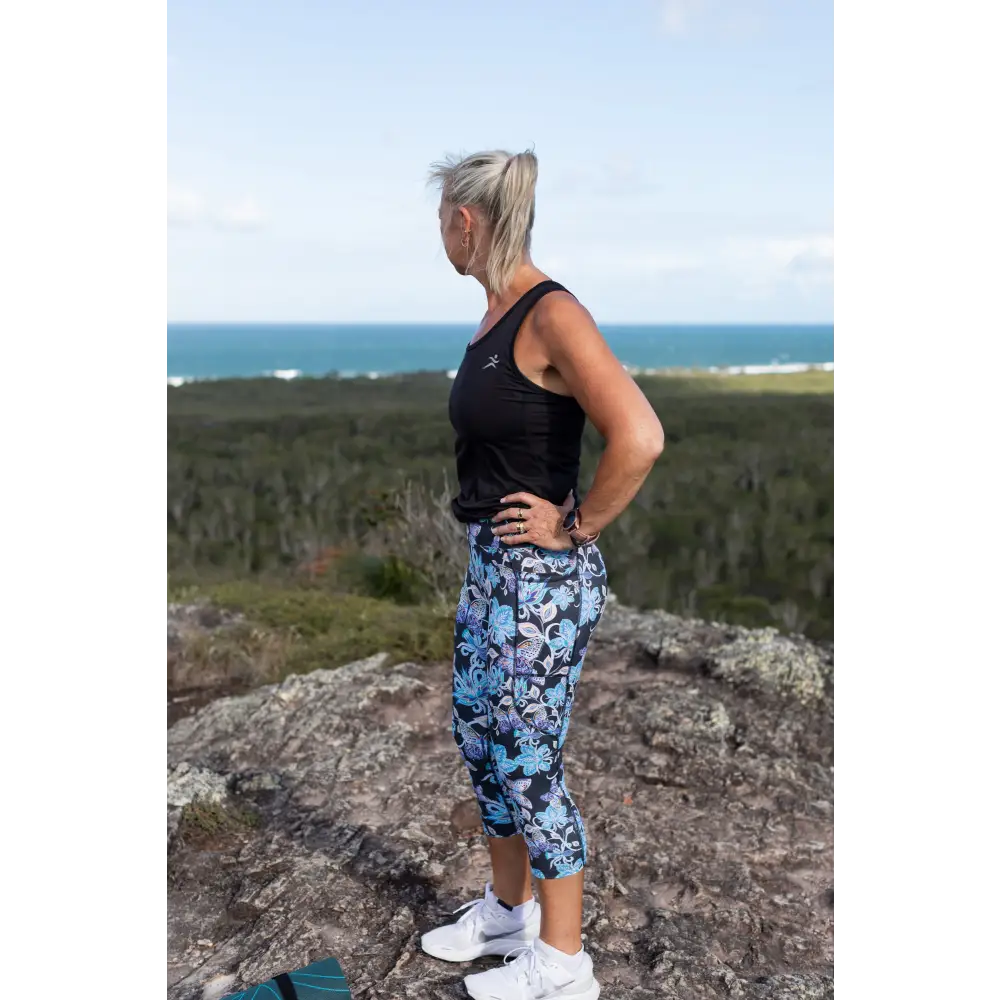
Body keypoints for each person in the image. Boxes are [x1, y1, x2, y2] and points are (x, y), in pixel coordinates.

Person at [420, 148, 664, 1000]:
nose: (439, 234)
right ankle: (505, 913)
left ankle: (563, 966)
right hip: (492, 569)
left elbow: (640, 435)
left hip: (541, 584)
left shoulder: (551, 312)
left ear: (465, 220)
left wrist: (577, 524)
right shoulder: (495, 314)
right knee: (481, 743)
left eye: (440, 219)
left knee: (527, 763)